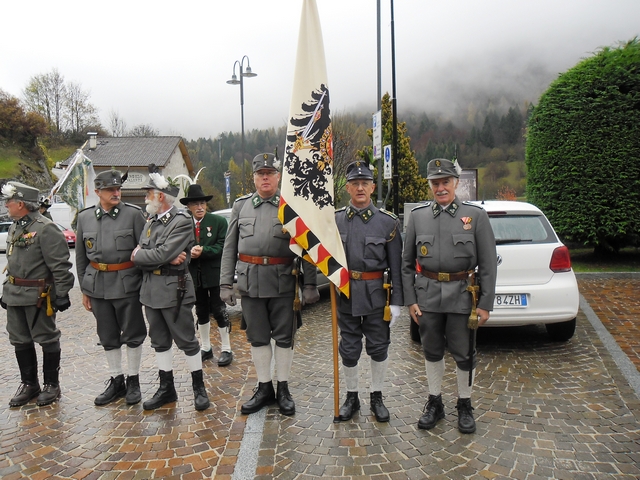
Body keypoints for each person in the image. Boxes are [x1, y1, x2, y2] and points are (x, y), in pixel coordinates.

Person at [220, 153, 320, 416]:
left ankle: (283, 388)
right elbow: (229, 248)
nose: (265, 177)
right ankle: (265, 387)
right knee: (258, 337)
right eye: (260, 174)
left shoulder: (291, 207)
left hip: (283, 281)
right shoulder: (241, 207)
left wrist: (310, 284)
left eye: (270, 173)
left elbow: (308, 248)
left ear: (278, 177)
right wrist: (225, 284)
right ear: (253, 178)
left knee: (285, 338)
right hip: (250, 283)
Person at [402, 158, 497, 434]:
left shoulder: (475, 216)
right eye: (435, 183)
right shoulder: (418, 217)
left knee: (464, 353)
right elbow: (406, 263)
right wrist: (411, 300)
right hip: (428, 296)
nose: (440, 187)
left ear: (455, 184)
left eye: (445, 182)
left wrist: (486, 304)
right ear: (430, 185)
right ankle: (435, 402)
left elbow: (488, 264)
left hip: (462, 297)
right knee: (431, 350)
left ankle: (465, 404)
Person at [131, 165, 210, 411]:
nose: (145, 198)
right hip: (151, 288)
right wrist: (154, 255)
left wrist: (143, 255)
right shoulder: (151, 221)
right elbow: (153, 252)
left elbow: (160, 252)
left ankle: (199, 388)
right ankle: (167, 389)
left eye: (148, 194)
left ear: (160, 196)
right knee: (159, 341)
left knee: (187, 339)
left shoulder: (182, 220)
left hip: (174, 288)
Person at [334, 160, 404, 423]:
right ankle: (352, 396)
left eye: (365, 183)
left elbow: (397, 265)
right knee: (349, 348)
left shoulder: (388, 223)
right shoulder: (336, 220)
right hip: (346, 294)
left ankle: (377, 396)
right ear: (348, 188)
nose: (360, 188)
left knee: (378, 346)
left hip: (377, 295)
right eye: (355, 184)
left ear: (373, 187)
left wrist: (397, 301)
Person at [75, 169, 147, 406]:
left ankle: (133, 380)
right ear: (98, 192)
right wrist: (85, 289)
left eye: (118, 189)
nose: (116, 193)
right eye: (110, 190)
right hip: (98, 286)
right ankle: (117, 380)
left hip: (128, 284)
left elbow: (145, 251)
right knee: (107, 335)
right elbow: (81, 257)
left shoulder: (134, 215)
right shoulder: (85, 218)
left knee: (133, 333)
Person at [1, 181, 74, 407]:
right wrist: (6, 288)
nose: (6, 205)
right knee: (19, 339)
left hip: (38, 295)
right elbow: (13, 261)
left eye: (8, 201)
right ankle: (29, 384)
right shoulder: (15, 226)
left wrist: (62, 292)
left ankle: (52, 384)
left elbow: (60, 265)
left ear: (21, 203)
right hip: (15, 294)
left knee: (47, 338)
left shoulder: (45, 228)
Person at [179, 184, 233, 366]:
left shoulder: (218, 222)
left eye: (202, 203)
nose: (200, 207)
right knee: (201, 311)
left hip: (215, 275)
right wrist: (189, 252)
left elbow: (223, 247)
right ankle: (206, 347)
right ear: (189, 207)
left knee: (219, 310)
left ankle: (226, 348)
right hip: (195, 277)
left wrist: (204, 250)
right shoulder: (184, 224)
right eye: (195, 204)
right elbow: (178, 247)